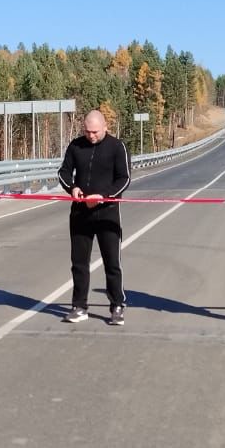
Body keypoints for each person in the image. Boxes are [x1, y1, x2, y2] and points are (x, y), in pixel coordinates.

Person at [58, 109, 131, 325]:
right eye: (88, 131)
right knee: (79, 263)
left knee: (112, 262)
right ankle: (79, 306)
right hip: (80, 214)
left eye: (95, 132)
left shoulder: (117, 147)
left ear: (105, 126)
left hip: (108, 213)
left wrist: (105, 196)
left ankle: (117, 305)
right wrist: (72, 188)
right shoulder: (76, 146)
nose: (91, 136)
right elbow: (63, 172)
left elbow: (124, 179)